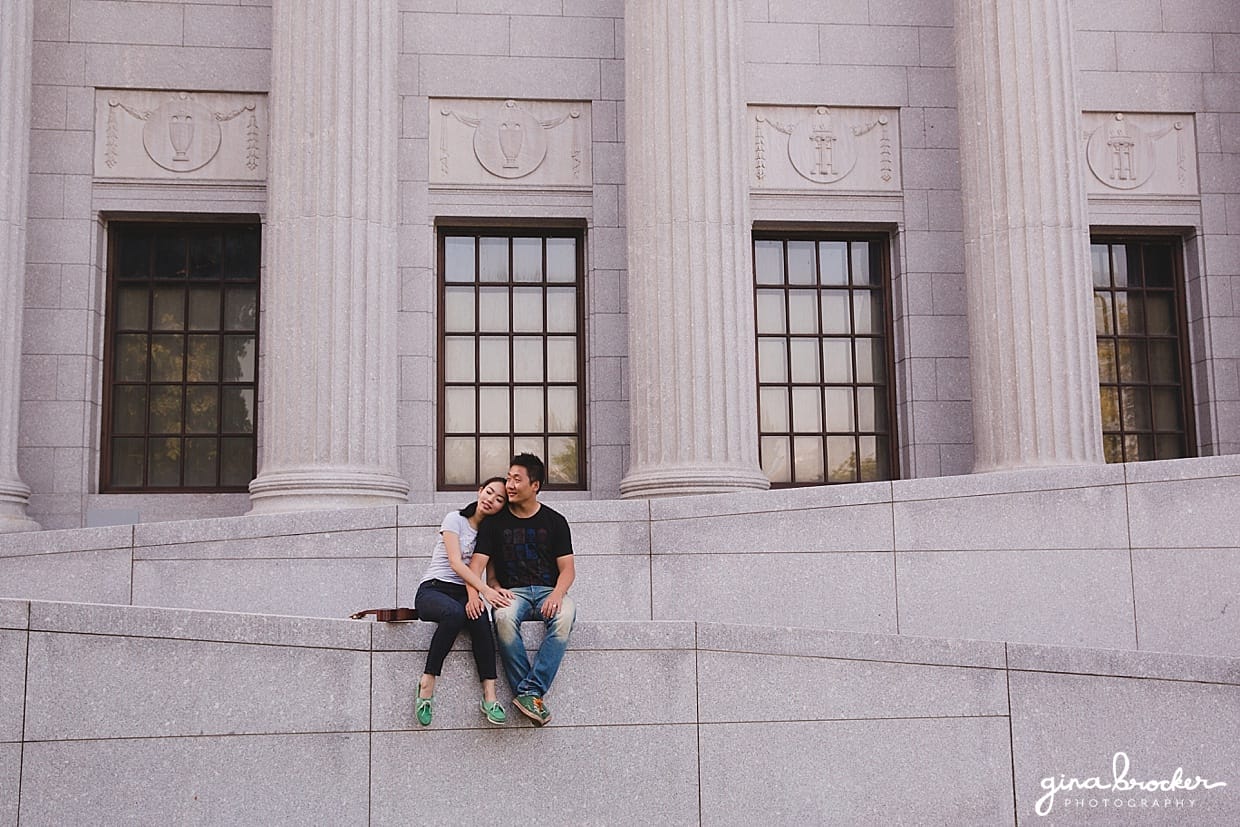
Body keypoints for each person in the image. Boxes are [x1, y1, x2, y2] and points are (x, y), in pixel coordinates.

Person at [472, 453, 576, 727]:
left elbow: (568, 570)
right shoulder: (494, 522)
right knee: (503, 619)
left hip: (547, 591)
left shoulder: (555, 521)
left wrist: (556, 594)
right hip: (513, 593)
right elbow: (477, 565)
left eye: (517, 479)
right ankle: (531, 695)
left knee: (565, 616)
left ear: (535, 486)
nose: (510, 485)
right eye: (508, 478)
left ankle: (528, 691)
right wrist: (488, 590)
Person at [413, 477, 515, 727]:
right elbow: (456, 563)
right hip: (434, 590)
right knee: (455, 615)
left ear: (503, 507)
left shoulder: (489, 534)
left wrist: (497, 591)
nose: (491, 499)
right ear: (480, 491)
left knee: (481, 621)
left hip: (464, 592)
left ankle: (490, 697)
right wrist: (482, 592)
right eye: (489, 492)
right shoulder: (454, 519)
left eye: (499, 499)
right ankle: (427, 683)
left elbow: (489, 575)